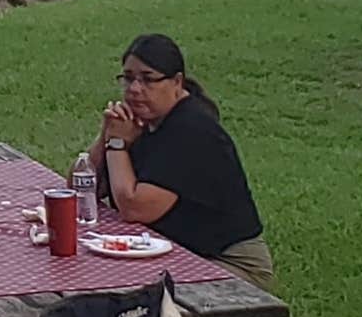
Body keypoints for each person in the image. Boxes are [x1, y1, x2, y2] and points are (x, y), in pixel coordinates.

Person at [93, 32, 274, 287]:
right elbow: (82, 189)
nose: (134, 90)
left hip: (229, 263)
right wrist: (107, 133)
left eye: (148, 80)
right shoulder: (142, 121)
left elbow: (135, 208)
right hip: (175, 252)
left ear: (177, 82)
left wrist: (117, 144)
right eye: (129, 78)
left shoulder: (191, 130)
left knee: (130, 296)